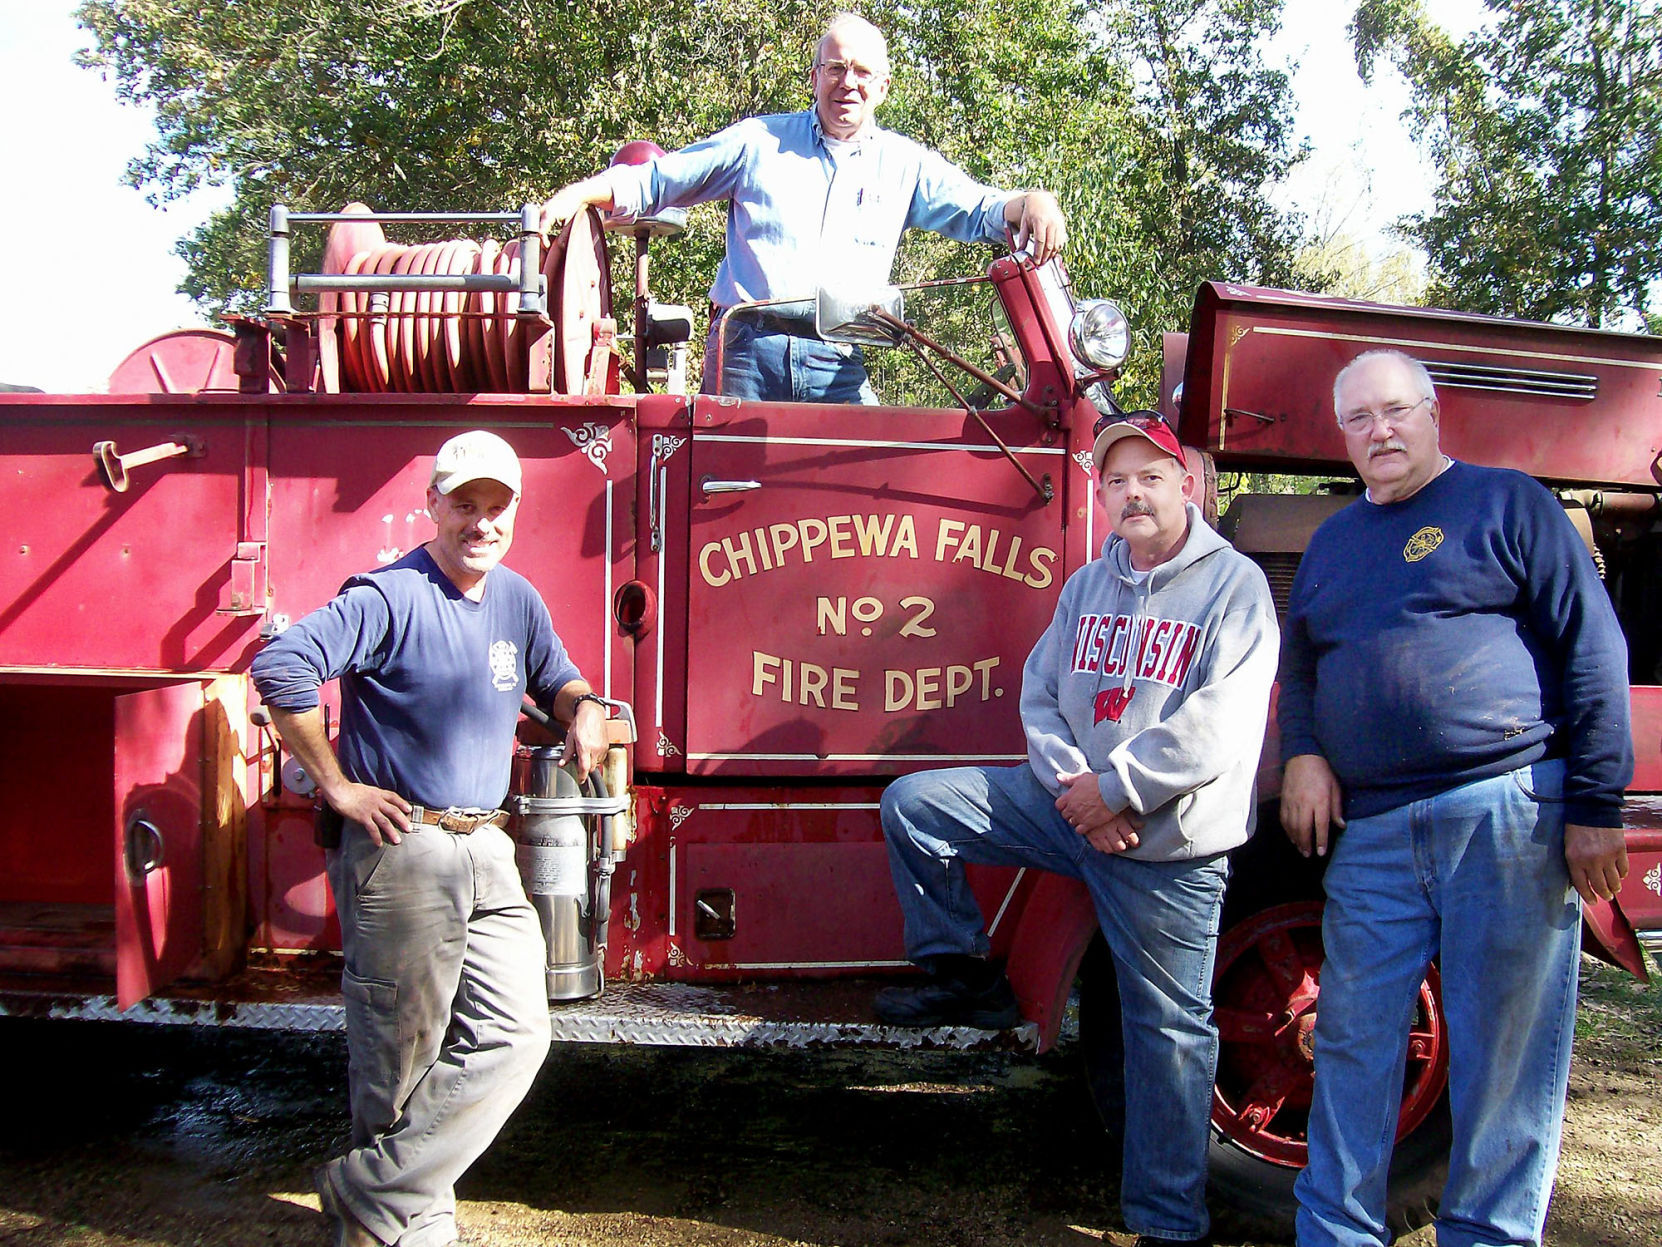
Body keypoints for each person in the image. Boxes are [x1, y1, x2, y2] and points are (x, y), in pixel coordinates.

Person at [877, 413, 1279, 1246]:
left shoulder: (1232, 586)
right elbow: (1043, 695)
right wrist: (1077, 792)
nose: (1132, 494)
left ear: (1188, 486)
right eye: (1116, 481)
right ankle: (963, 971)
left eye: (1150, 478)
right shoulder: (1088, 585)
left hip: (1166, 846)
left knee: (1167, 1032)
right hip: (1074, 811)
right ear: (1101, 496)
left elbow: (1221, 723)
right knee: (916, 806)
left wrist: (1121, 790)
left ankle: (1169, 1223)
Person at [1279, 350, 1633, 1247]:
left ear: (1433, 414)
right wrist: (1305, 752)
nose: (1380, 431)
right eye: (1359, 419)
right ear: (1343, 437)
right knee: (1355, 1043)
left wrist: (1596, 805)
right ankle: (1335, 1233)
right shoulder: (1332, 541)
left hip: (1508, 810)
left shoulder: (1510, 504)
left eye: (1395, 411)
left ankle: (1492, 1235)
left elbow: (1595, 650)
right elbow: (1306, 661)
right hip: (1375, 831)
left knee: (1503, 1056)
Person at [250, 430, 609, 1247]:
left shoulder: (517, 596)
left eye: (496, 508)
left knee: (519, 1034)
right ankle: (395, 1226)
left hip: (487, 845)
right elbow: (283, 667)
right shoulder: (386, 595)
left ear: (514, 513)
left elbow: (555, 678)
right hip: (403, 846)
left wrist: (585, 706)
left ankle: (369, 1187)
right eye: (465, 506)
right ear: (433, 507)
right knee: (399, 1053)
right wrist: (337, 784)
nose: (481, 523)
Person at [538, 11, 1066, 404]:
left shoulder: (907, 165)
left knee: (855, 514)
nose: (847, 83)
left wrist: (1033, 202)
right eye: (835, 68)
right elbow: (660, 179)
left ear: (882, 86)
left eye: (861, 72)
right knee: (726, 506)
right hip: (745, 354)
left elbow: (982, 211)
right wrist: (579, 195)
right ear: (814, 76)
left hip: (838, 362)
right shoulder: (757, 142)